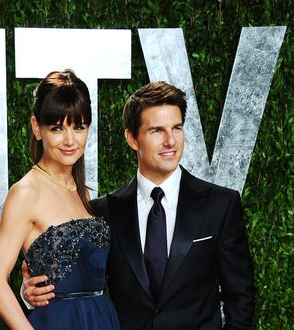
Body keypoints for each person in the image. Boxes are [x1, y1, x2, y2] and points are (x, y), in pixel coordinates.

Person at [23, 81, 255, 329]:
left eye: (176, 128)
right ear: (132, 138)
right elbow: (81, 282)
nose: (170, 141)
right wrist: (31, 294)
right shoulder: (104, 211)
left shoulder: (220, 205)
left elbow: (240, 298)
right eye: (157, 131)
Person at [0, 69, 120, 330]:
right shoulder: (25, 193)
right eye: (57, 128)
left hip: (101, 319)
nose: (70, 140)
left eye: (78, 127)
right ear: (37, 128)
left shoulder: (81, 191)